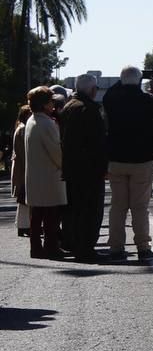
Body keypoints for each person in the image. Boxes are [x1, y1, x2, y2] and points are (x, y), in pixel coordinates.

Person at [101, 65, 153, 260]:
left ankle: (116, 248)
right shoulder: (147, 100)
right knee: (139, 207)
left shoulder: (111, 99)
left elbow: (109, 93)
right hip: (142, 160)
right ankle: (143, 247)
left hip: (117, 159)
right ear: (138, 82)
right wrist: (152, 87)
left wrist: (125, 80)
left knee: (118, 206)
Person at [60, 73, 108, 261]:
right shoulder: (89, 109)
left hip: (70, 168)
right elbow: (98, 143)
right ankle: (86, 248)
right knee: (90, 211)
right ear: (92, 90)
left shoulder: (68, 107)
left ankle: (72, 243)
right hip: (88, 170)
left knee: (72, 210)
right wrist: (103, 167)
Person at [23, 86, 66, 259]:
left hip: (35, 175)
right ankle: (51, 247)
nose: (52, 104)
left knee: (36, 216)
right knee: (51, 216)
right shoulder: (47, 123)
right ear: (44, 104)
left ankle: (36, 248)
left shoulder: (31, 120)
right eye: (50, 101)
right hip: (49, 175)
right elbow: (55, 151)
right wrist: (64, 166)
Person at [11, 105, 32, 237]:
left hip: (20, 167)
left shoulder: (19, 127)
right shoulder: (24, 129)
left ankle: (23, 225)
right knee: (24, 198)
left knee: (23, 199)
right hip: (23, 167)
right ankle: (24, 226)